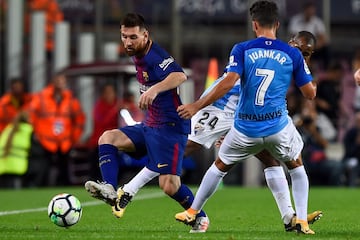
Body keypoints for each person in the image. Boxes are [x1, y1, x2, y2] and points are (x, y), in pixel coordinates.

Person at [175, 0, 317, 235]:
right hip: (277, 127)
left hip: (245, 127)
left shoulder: (242, 49)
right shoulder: (292, 53)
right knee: (296, 165)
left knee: (219, 165)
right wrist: (303, 62)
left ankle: (192, 210)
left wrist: (197, 105)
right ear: (278, 24)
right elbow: (310, 94)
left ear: (254, 25)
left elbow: (229, 82)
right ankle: (300, 220)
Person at [84, 13, 209, 233]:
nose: (127, 42)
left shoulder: (154, 55)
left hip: (170, 128)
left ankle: (200, 217)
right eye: (124, 36)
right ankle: (111, 189)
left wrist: (154, 89)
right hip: (150, 125)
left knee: (169, 186)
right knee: (108, 138)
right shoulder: (137, 53)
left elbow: (179, 75)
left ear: (145, 35)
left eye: (133, 37)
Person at [27, 70, 85, 186]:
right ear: (53, 81)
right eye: (58, 80)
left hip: (65, 141)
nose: (60, 84)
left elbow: (79, 119)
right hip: (45, 140)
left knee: (64, 169)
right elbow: (31, 115)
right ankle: (42, 188)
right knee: (43, 169)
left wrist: (75, 136)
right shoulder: (42, 97)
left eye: (62, 81)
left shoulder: (70, 99)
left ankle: (63, 189)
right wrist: (36, 133)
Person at [287, 1, 329, 69]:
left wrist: (313, 46)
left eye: (312, 11)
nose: (310, 13)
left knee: (326, 49)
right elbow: (293, 37)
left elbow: (323, 39)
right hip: (299, 46)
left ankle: (326, 69)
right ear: (304, 10)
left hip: (313, 48)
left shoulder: (317, 22)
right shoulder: (295, 20)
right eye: (308, 10)